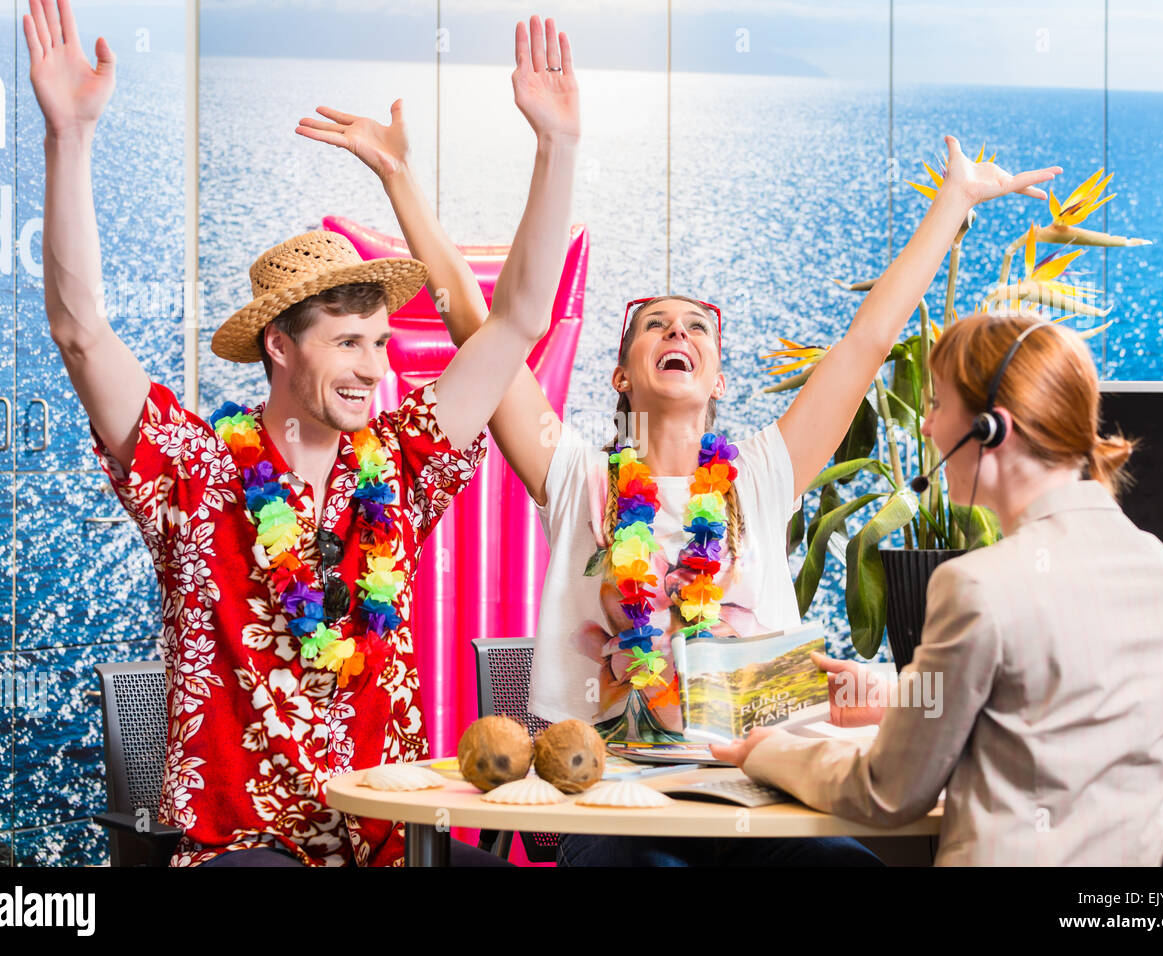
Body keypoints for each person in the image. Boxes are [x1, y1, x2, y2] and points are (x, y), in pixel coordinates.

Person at [358, 82, 1059, 860]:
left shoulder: (761, 474)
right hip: (617, 802)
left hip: (756, 796)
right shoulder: (575, 476)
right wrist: (400, 181)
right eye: (654, 324)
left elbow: (864, 344)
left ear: (717, 378)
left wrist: (953, 203)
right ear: (623, 375)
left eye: (695, 326)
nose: (676, 331)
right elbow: (477, 327)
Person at [26, 0, 579, 866]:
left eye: (383, 345)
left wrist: (556, 148)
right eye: (348, 344)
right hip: (242, 847)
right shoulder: (198, 475)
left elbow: (514, 324)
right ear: (280, 347)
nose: (375, 369)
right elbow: (80, 329)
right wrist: (69, 138)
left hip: (392, 841)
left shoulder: (401, 464)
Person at [713, 313, 1163, 866]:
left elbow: (886, 791)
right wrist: (901, 700)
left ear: (991, 428)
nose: (926, 428)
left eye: (938, 405)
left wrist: (770, 751)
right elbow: (1054, 714)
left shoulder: (981, 585)